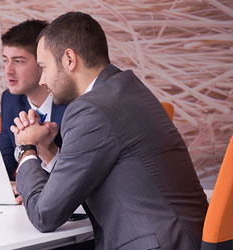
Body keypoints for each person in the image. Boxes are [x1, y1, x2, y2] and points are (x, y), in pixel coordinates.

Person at [11, 12, 208, 249]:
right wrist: (47, 150)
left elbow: (45, 215)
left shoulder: (91, 109)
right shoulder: (126, 88)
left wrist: (25, 148)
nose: (42, 80)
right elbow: (96, 173)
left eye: (44, 67)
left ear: (69, 59)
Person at [0, 19, 67, 180]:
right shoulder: (9, 100)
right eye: (5, 60)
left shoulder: (74, 103)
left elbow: (78, 177)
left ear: (43, 62)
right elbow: (4, 162)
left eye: (18, 61)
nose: (8, 71)